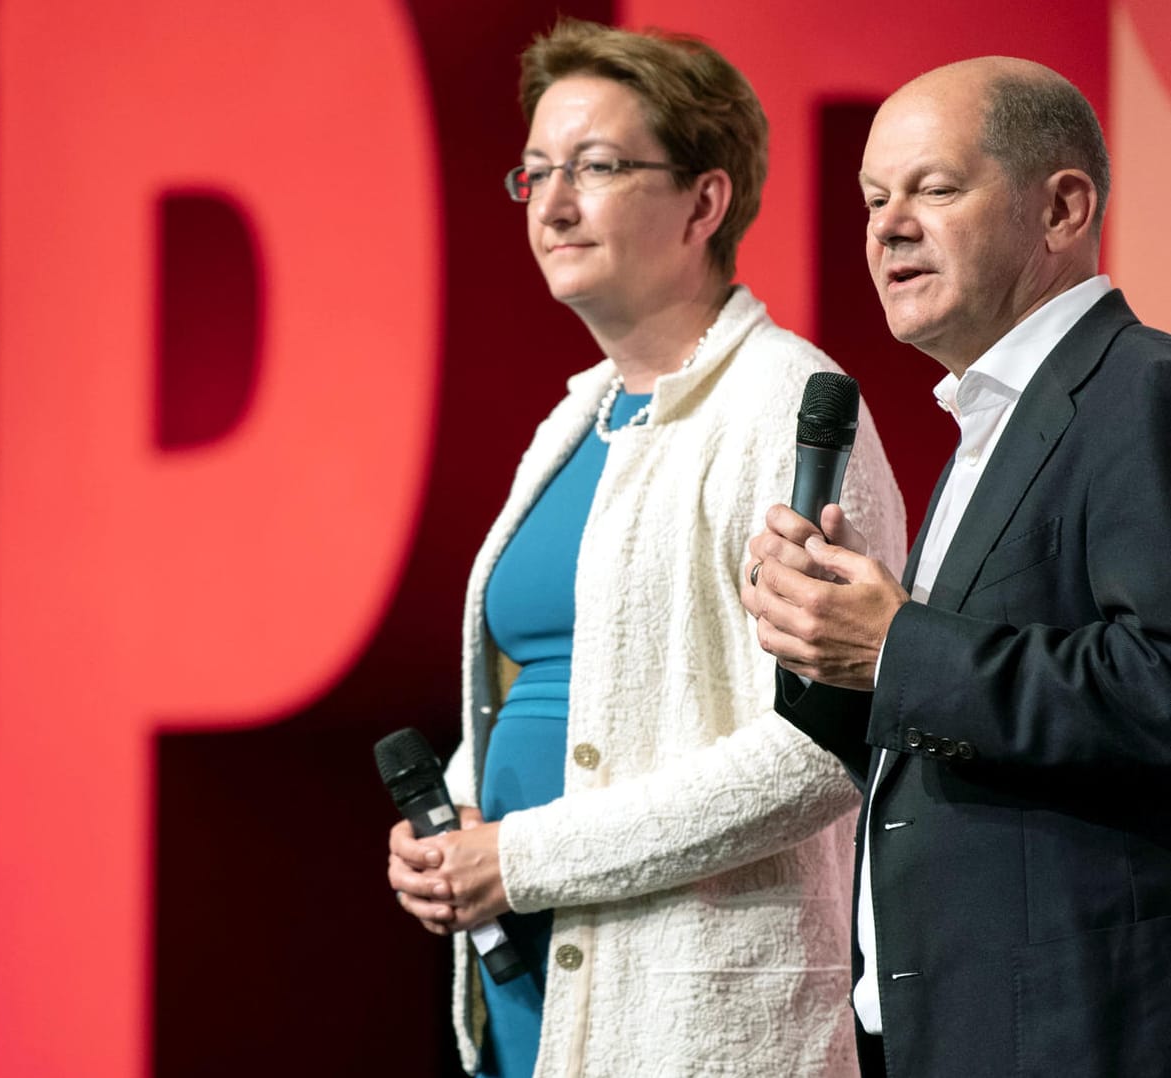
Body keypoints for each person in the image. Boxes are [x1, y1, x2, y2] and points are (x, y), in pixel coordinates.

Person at [386, 18, 905, 1077]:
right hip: (528, 983)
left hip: (687, 1014)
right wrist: (454, 820)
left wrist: (520, 856)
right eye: (534, 173)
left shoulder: (785, 407)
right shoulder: (578, 414)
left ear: (705, 202)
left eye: (597, 167)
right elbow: (550, 677)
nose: (554, 204)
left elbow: (816, 753)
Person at [742, 57, 1171, 1077]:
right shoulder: (990, 425)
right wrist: (834, 656)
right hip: (950, 1025)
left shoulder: (1142, 392)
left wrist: (899, 647)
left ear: (1063, 207)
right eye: (871, 199)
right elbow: (962, 737)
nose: (887, 227)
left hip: (1082, 1028)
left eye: (933, 188)